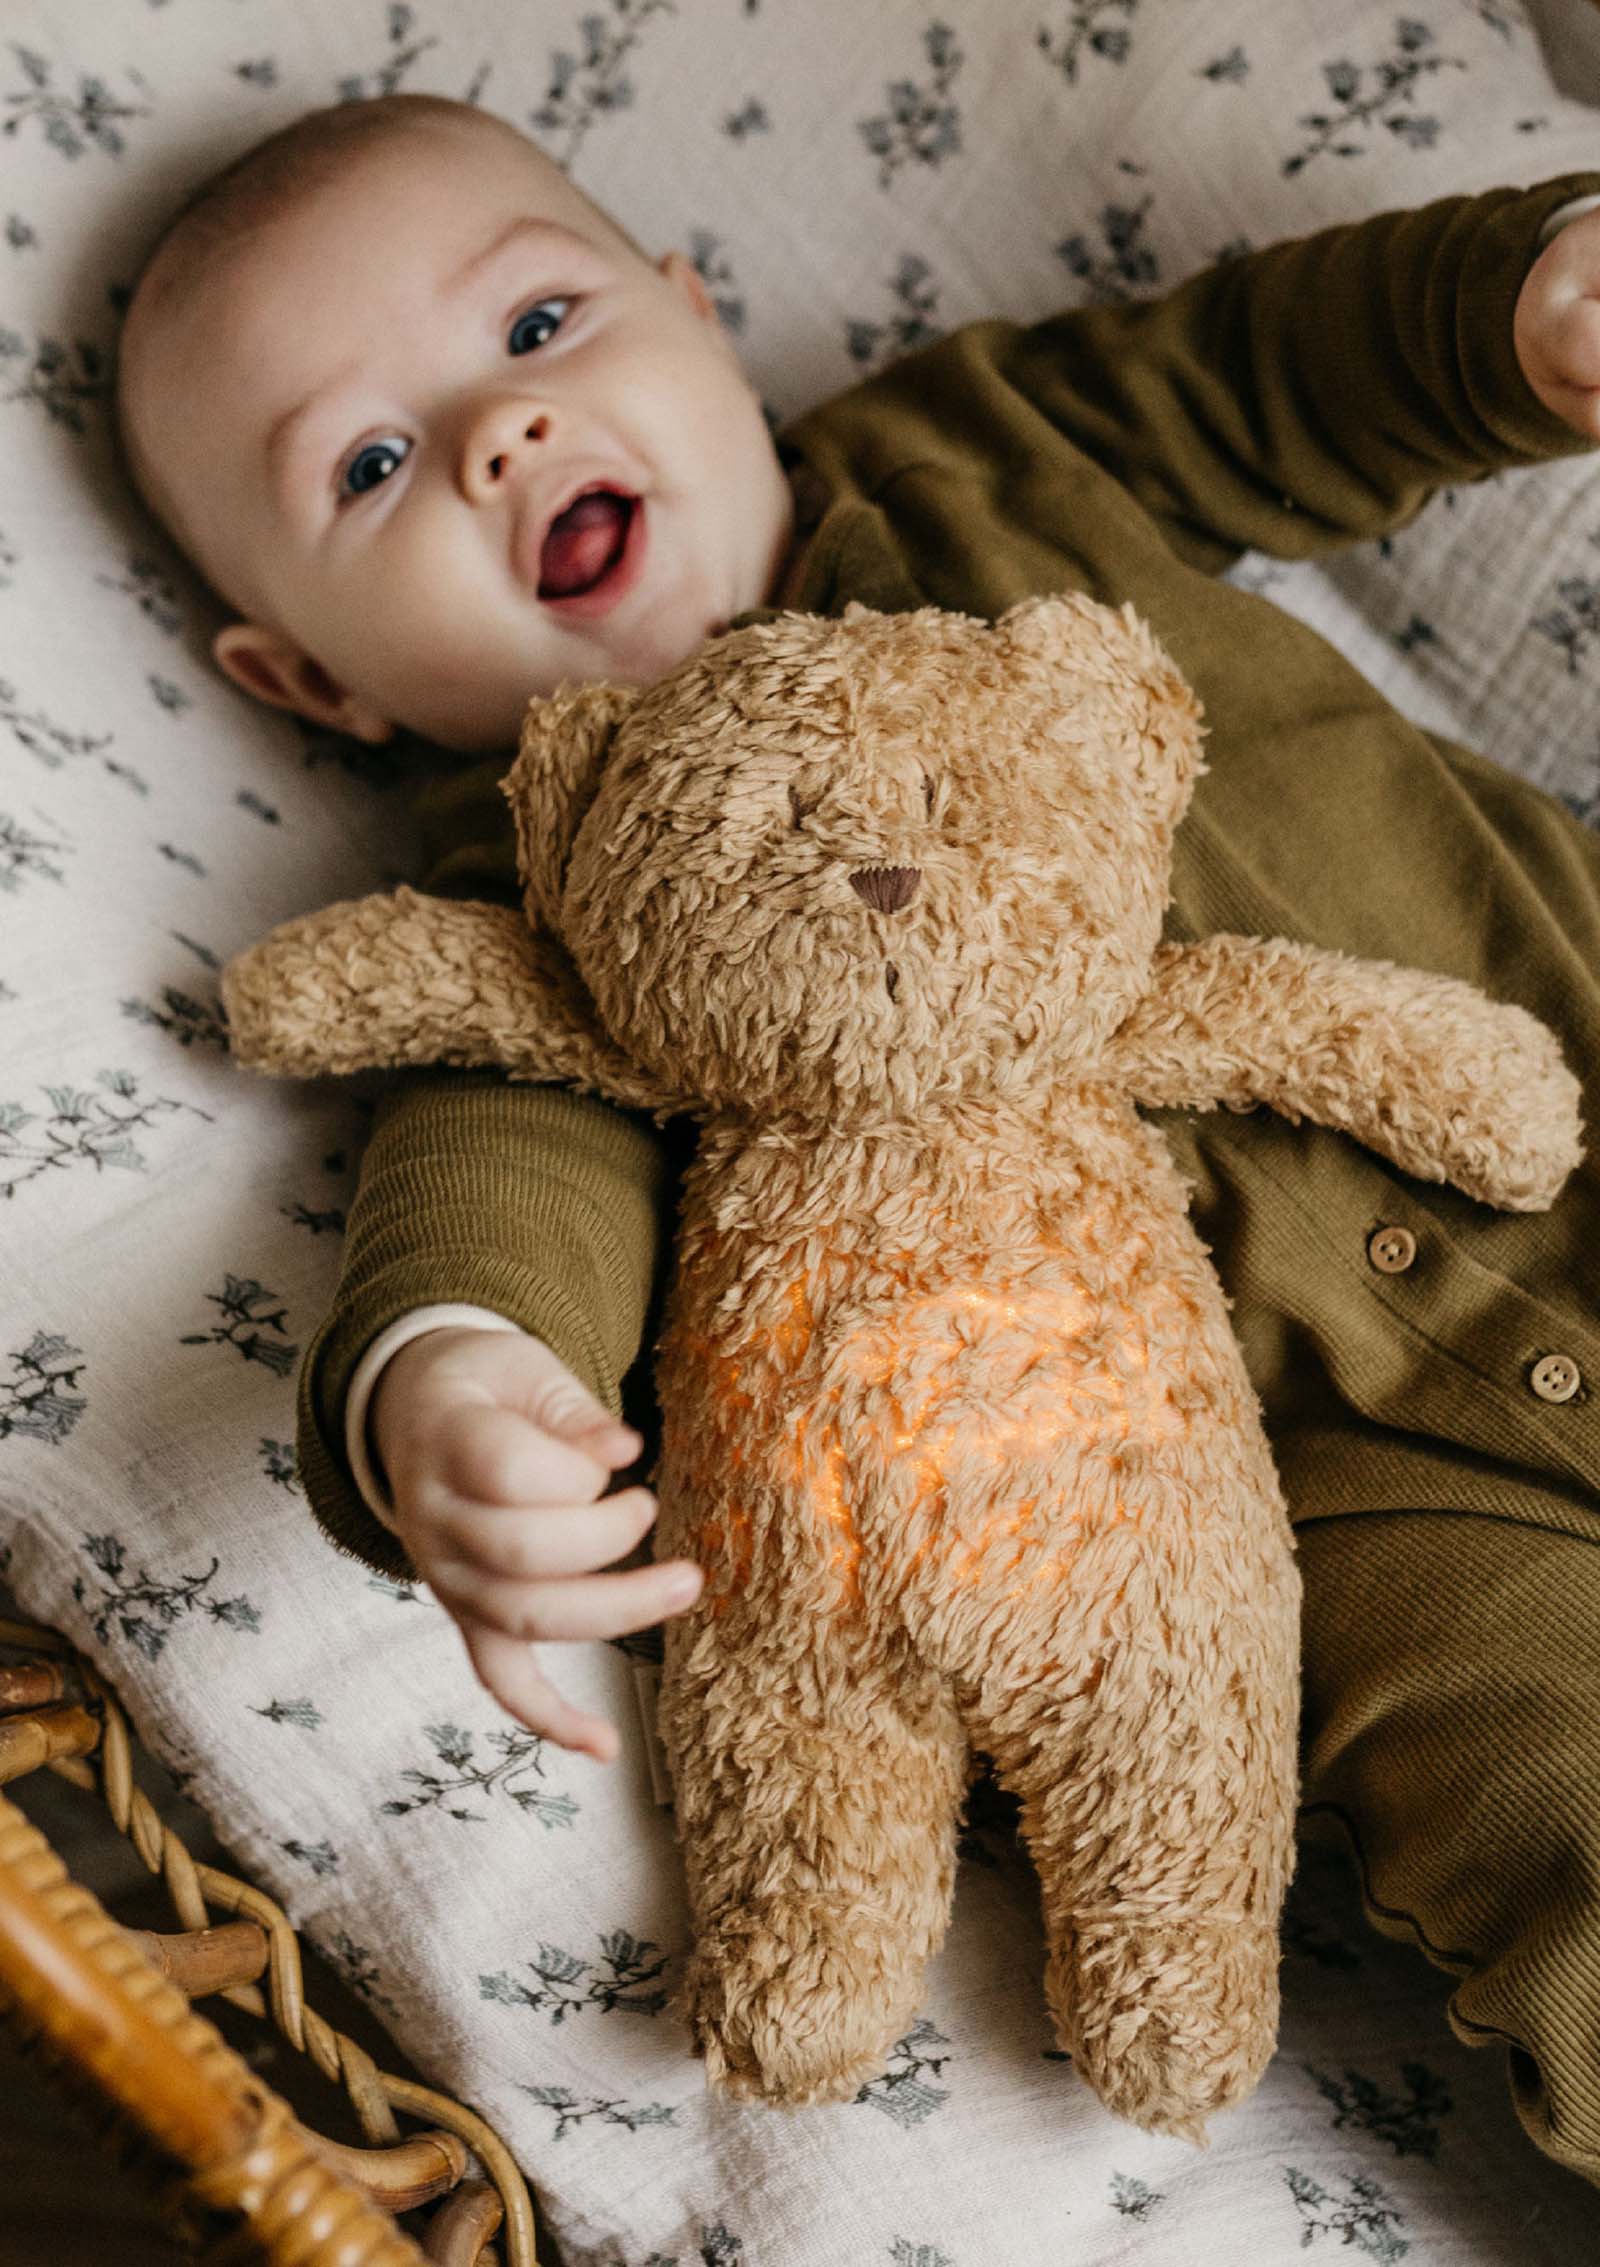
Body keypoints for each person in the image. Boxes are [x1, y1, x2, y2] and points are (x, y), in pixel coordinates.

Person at [116, 91, 1600, 2181]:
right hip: (1344, 1507)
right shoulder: (527, 899)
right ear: (316, 682)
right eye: (367, 466)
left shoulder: (968, 456)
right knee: (1555, 1817)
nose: (494, 439)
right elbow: (498, 1161)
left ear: (694, 319)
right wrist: (446, 1372)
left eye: (536, 325)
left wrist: (1510, 315)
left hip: (1562, 1045)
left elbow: (1269, 376)